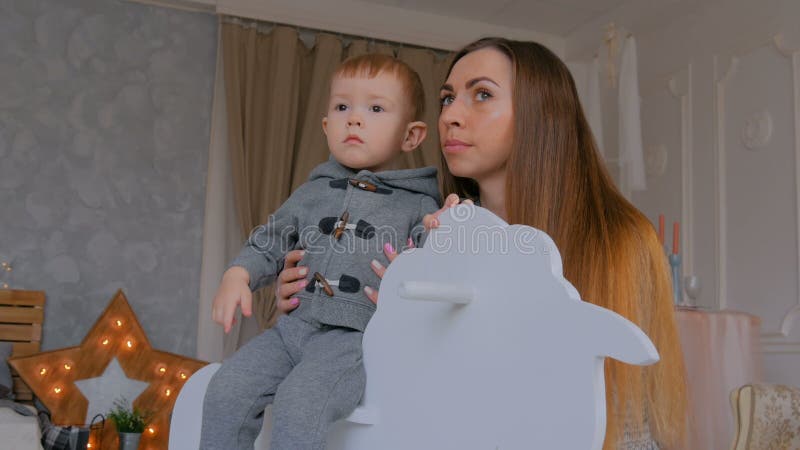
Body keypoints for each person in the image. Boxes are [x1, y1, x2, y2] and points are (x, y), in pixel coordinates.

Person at [276, 38, 688, 449]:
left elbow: (632, 426)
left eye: (483, 94)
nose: (450, 115)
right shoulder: (425, 238)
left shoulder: (619, 241)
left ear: (541, 112)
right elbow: (391, 394)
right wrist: (318, 313)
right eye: (447, 98)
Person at [200, 54, 441, 450]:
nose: (355, 119)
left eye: (375, 108)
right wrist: (237, 274)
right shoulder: (311, 193)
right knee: (227, 388)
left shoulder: (419, 206)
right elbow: (273, 236)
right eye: (342, 107)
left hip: (351, 341)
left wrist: (439, 234)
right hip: (289, 331)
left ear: (411, 136)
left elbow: (430, 270)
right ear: (327, 125)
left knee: (301, 403)